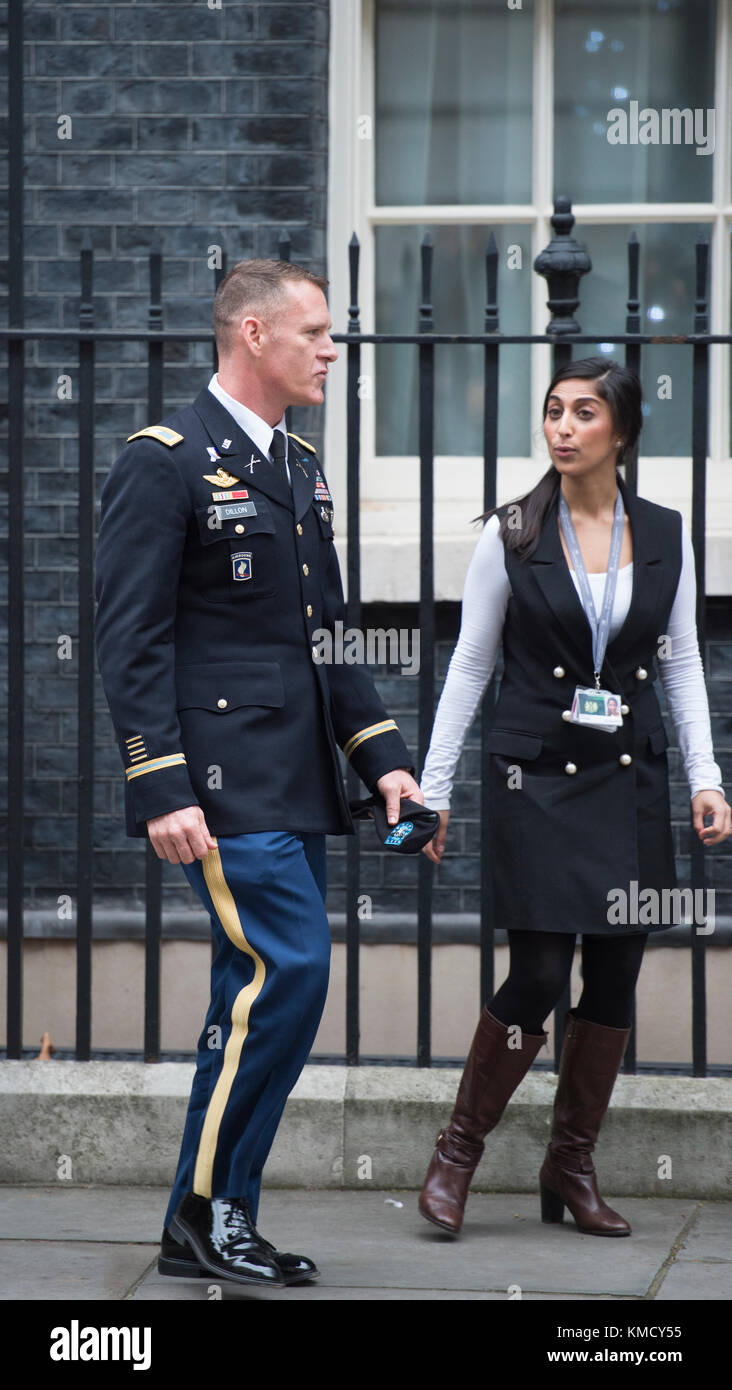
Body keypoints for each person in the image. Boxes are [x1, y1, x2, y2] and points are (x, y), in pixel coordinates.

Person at [94, 258, 421, 1288]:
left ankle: (205, 1219)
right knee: (292, 970)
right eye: (316, 333)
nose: (332, 351)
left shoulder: (301, 465)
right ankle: (210, 1211)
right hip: (221, 783)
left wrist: (386, 764)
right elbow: (128, 638)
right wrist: (162, 783)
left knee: (254, 988)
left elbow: (327, 634)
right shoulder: (167, 459)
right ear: (253, 337)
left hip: (292, 777)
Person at [417, 357, 731, 1238]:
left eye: (582, 412)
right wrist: (434, 791)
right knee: (542, 971)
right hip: (537, 780)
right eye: (553, 411)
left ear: (621, 432)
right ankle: (458, 1153)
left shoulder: (666, 532)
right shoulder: (512, 531)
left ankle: (571, 1168)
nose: (561, 426)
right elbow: (471, 663)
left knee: (618, 970)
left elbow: (680, 662)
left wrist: (706, 778)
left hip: (628, 780)